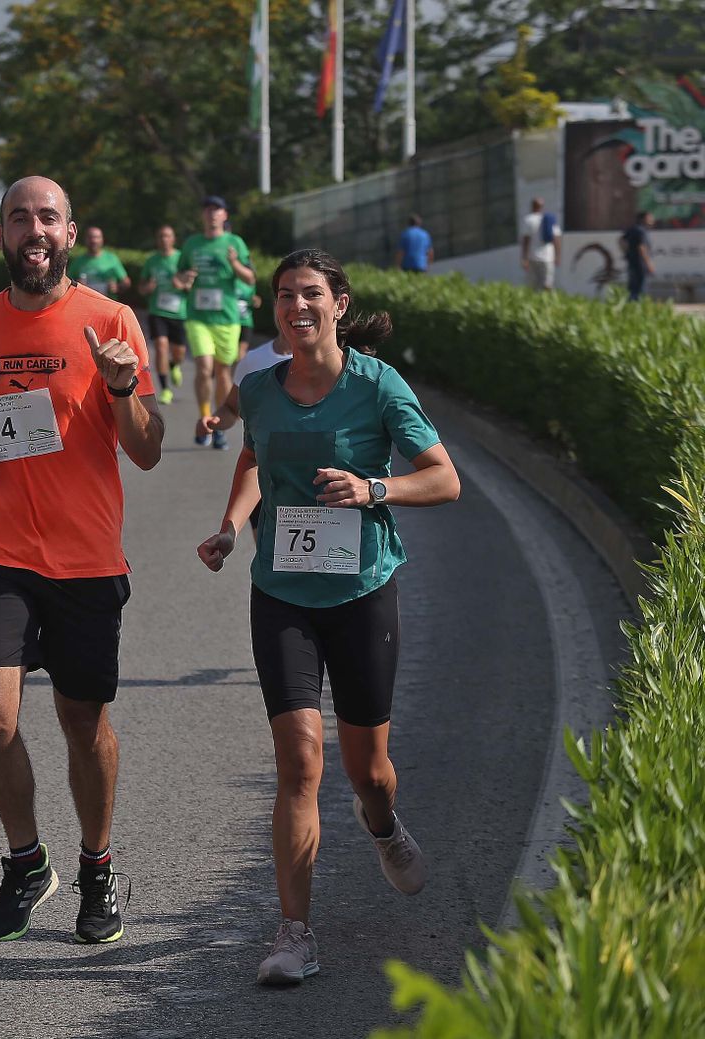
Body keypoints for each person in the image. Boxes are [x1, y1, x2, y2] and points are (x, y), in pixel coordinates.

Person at [195, 248, 461, 986]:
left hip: (361, 591)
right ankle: (295, 933)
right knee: (299, 760)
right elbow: (253, 459)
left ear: (339, 303)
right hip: (281, 589)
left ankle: (382, 824)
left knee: (367, 770)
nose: (297, 307)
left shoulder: (378, 386)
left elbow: (445, 477)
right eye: (285, 296)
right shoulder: (259, 387)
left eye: (311, 294)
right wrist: (229, 524)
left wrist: (374, 487)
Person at [0, 175, 163, 947]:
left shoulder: (109, 320)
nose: (33, 229)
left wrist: (124, 386)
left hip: (85, 559)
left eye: (47, 217)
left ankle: (97, 866)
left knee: (82, 721)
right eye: (18, 217)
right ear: (2, 234)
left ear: (70, 232)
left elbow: (146, 450)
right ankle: (27, 860)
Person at [175, 196, 256, 450]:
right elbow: (179, 277)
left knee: (222, 371)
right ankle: (203, 416)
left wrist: (233, 263)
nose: (211, 214)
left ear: (224, 215)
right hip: (198, 317)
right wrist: (184, 278)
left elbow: (250, 278)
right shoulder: (192, 244)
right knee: (203, 367)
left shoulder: (235, 243)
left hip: (227, 319)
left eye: (216, 210)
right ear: (203, 215)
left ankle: (218, 423)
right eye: (207, 209)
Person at [138, 225, 187, 404]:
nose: (164, 239)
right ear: (158, 240)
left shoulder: (182, 259)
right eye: (161, 236)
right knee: (160, 346)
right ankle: (165, 389)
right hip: (157, 311)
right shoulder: (152, 261)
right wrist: (147, 288)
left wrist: (182, 285)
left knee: (179, 353)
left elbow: (192, 284)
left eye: (168, 236)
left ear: (173, 239)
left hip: (179, 312)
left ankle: (174, 364)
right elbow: (141, 287)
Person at [67, 226, 131, 299]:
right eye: (90, 237)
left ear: (102, 239)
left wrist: (117, 287)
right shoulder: (78, 261)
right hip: (86, 304)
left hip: (108, 304)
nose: (94, 240)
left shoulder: (111, 259)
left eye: (97, 237)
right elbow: (67, 284)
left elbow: (126, 283)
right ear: (85, 240)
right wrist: (77, 285)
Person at [520, 197, 561, 292]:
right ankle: (548, 304)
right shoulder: (549, 219)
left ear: (532, 206)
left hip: (532, 257)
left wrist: (524, 258)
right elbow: (556, 239)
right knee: (548, 285)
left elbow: (526, 240)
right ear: (542, 207)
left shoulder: (528, 220)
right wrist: (557, 256)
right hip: (548, 257)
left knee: (533, 286)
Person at [621, 211, 657, 303]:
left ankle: (631, 305)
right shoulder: (641, 231)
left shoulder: (633, 229)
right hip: (640, 263)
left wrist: (627, 253)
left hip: (632, 262)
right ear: (643, 219)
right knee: (640, 287)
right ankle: (636, 306)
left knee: (633, 286)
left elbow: (621, 240)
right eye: (649, 218)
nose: (652, 220)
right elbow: (641, 247)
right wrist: (648, 263)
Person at [235, 282, 260, 361]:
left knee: (241, 350)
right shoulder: (227, 279)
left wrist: (256, 300)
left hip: (246, 322)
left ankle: (240, 372)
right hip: (230, 322)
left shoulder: (250, 283)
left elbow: (257, 302)